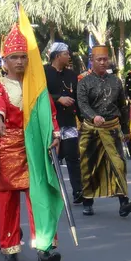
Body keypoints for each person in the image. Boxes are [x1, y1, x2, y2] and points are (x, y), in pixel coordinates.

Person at [0, 26, 62, 261]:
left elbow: (48, 112)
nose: (19, 62)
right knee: (8, 200)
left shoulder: (36, 86)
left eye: (23, 57)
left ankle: (44, 247)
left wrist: (56, 134)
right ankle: (9, 247)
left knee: (40, 196)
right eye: (14, 58)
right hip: (9, 145)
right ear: (5, 61)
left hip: (36, 147)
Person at [77, 45, 131, 218]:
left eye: (105, 59)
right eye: (99, 59)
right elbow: (82, 105)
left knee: (119, 164)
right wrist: (93, 116)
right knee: (90, 166)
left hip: (112, 128)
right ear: (92, 60)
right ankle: (88, 201)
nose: (103, 62)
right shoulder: (84, 82)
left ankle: (123, 203)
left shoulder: (115, 80)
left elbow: (123, 106)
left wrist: (126, 129)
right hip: (91, 130)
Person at [45, 42, 84, 204]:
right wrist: (57, 99)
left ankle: (78, 191)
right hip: (50, 122)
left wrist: (83, 121)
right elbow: (38, 95)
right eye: (66, 54)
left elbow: (77, 97)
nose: (69, 57)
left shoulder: (72, 74)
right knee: (53, 157)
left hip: (69, 122)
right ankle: (52, 192)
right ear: (56, 56)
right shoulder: (43, 72)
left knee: (73, 156)